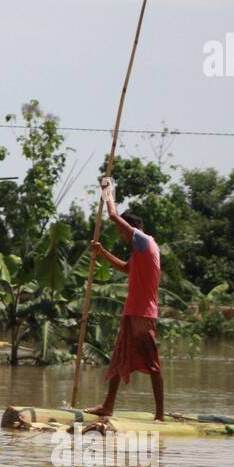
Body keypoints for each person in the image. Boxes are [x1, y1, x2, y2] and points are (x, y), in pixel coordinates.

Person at [86, 177, 165, 420]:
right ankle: (108, 406)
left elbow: (112, 216)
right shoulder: (139, 252)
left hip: (143, 314)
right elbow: (125, 268)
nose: (122, 237)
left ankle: (160, 414)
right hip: (133, 312)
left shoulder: (144, 241)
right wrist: (102, 253)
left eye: (124, 232)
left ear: (132, 229)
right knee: (120, 357)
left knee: (152, 364)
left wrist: (107, 192)